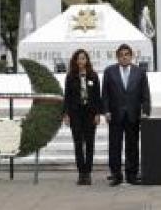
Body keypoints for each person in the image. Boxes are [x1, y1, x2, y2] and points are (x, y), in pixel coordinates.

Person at [101, 43, 151, 186]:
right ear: (117, 57)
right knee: (115, 146)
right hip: (115, 115)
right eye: (121, 55)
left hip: (133, 115)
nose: (124, 57)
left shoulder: (140, 72)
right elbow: (105, 94)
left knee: (132, 146)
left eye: (127, 55)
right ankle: (116, 175)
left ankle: (132, 175)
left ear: (131, 56)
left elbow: (145, 94)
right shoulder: (109, 72)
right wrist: (106, 111)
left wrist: (146, 112)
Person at [63, 48, 103, 185]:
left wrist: (98, 113)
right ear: (75, 60)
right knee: (78, 143)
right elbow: (67, 97)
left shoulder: (93, 76)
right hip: (75, 114)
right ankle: (81, 173)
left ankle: (88, 172)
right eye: (79, 58)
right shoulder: (70, 76)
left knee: (90, 143)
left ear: (87, 60)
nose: (81, 61)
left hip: (90, 114)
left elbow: (98, 96)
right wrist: (66, 114)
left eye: (83, 58)